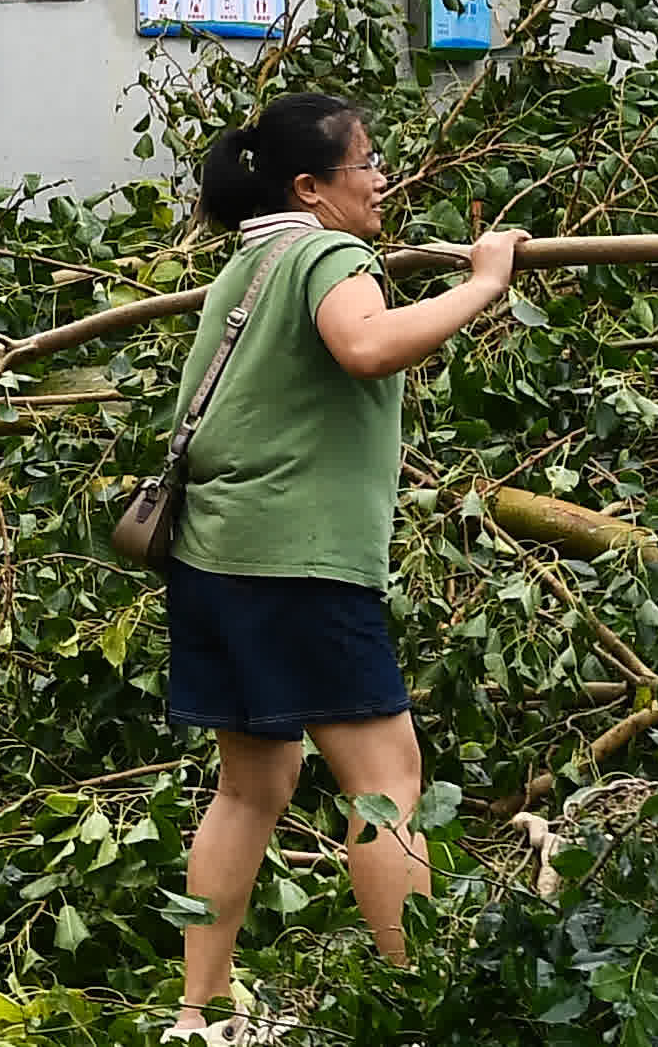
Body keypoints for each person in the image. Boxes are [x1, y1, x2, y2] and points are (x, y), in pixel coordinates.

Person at [158, 93, 524, 1040]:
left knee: (252, 783)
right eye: (366, 163)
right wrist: (483, 283)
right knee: (387, 781)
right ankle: (419, 1006)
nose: (381, 178)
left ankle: (201, 1012)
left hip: (215, 558)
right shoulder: (326, 252)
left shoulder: (248, 262)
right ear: (311, 188)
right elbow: (365, 345)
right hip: (298, 566)